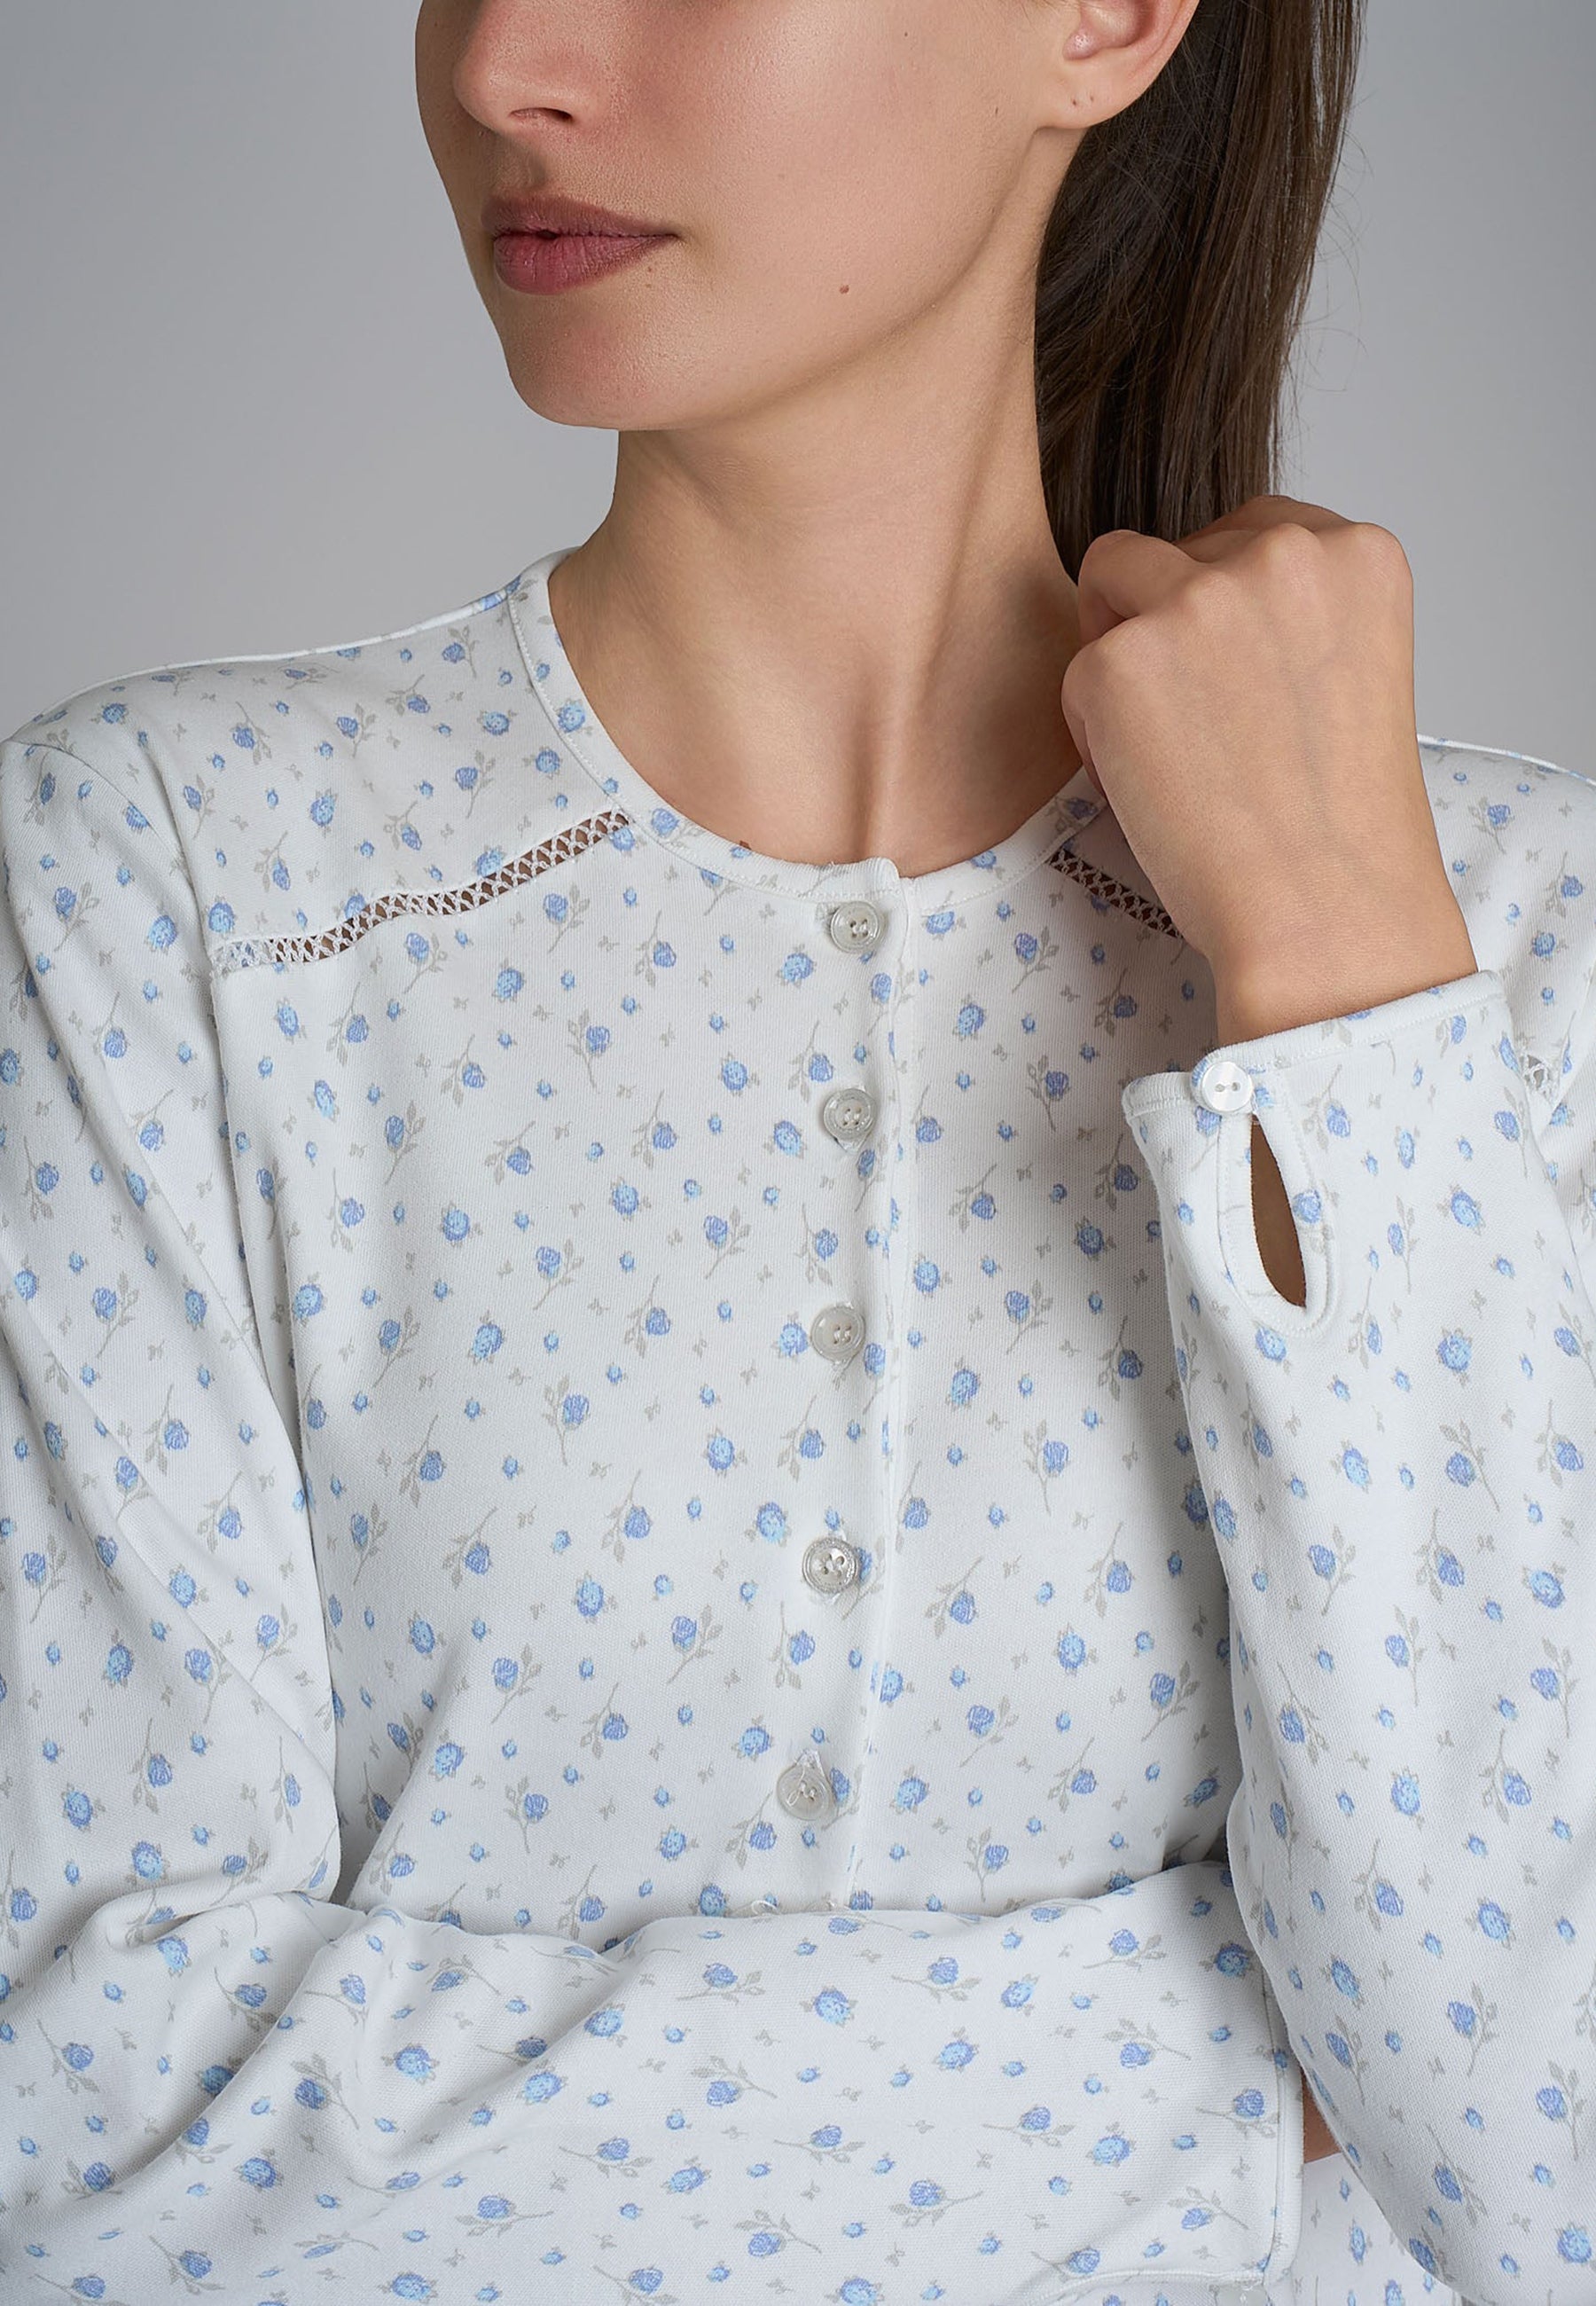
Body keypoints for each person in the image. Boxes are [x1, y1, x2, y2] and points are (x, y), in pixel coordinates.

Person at [0, 0, 1590, 2297]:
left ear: (1105, 20)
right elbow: (71, 2123)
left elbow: (1553, 2147)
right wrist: (1257, 2084)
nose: (506, 64)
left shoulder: (1508, 955)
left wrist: (1344, 982)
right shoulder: (170, 889)